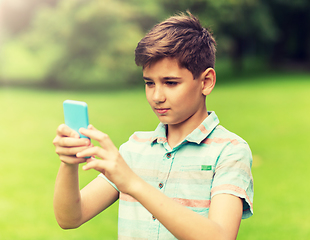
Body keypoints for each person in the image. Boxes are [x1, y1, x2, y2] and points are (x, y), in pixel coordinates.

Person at [53, 11, 253, 240]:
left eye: (170, 83)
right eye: (149, 83)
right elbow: (70, 218)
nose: (157, 96)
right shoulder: (134, 148)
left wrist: (133, 183)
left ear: (206, 81)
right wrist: (68, 165)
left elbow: (220, 237)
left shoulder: (230, 151)